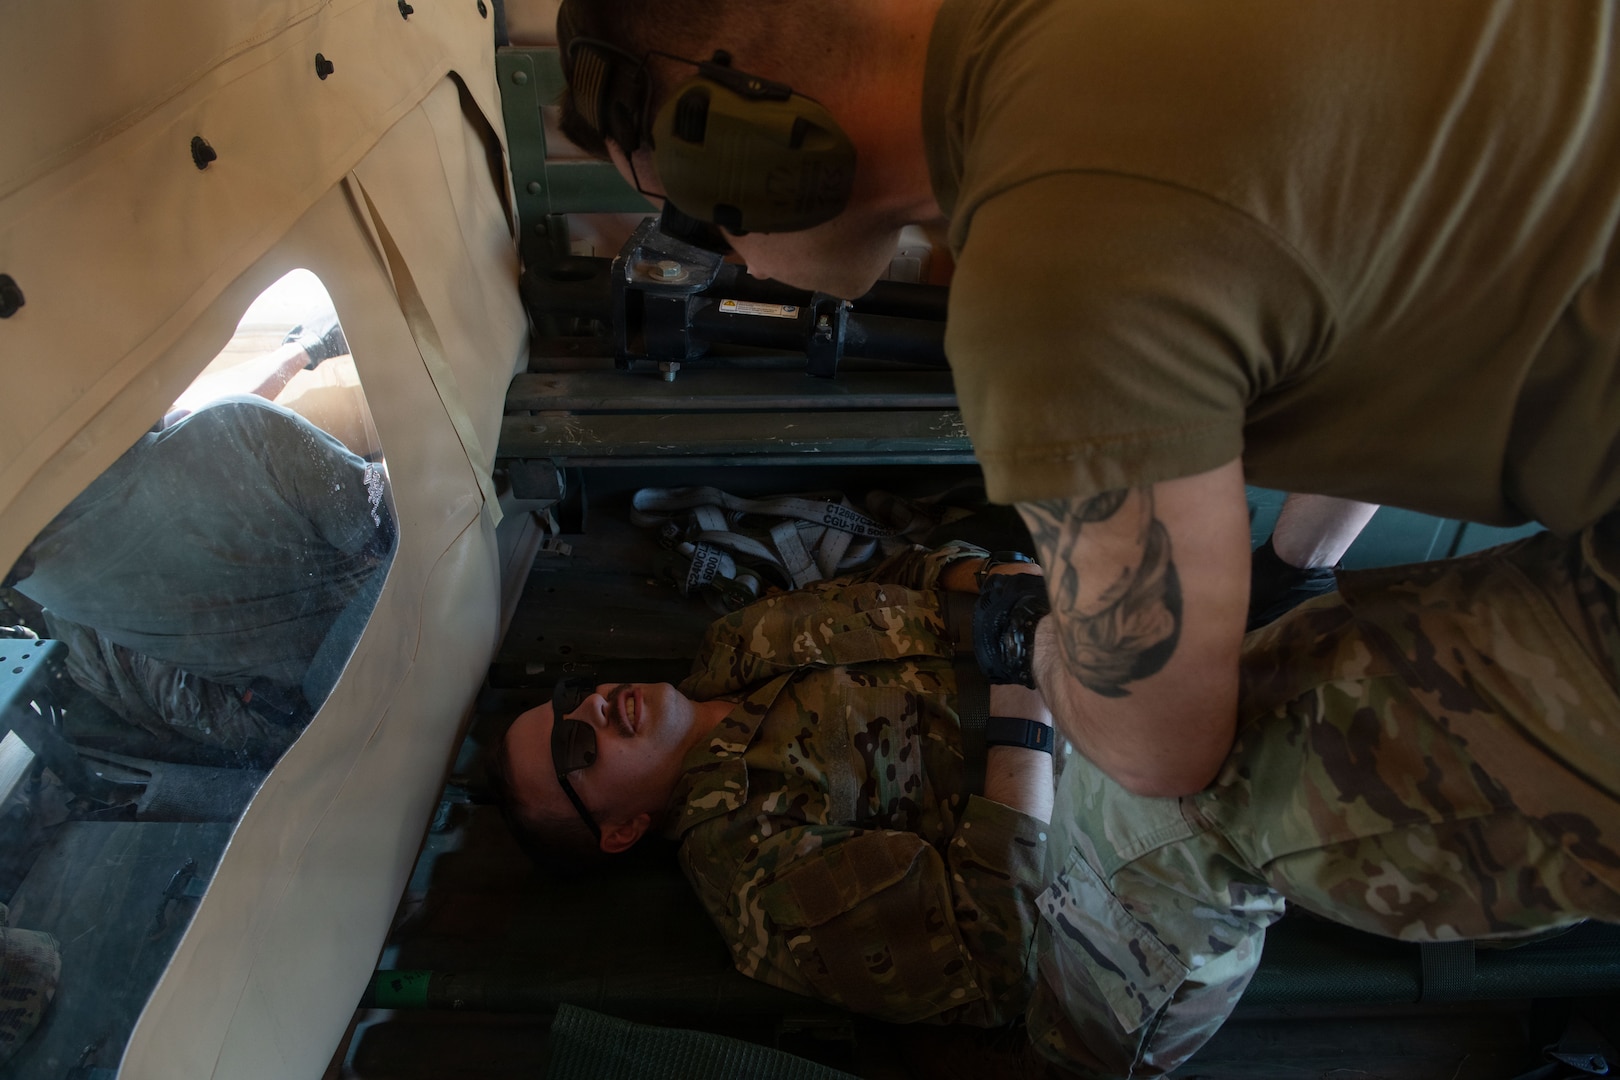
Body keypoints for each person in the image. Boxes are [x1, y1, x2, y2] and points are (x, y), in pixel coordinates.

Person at [494, 540, 1620, 1077]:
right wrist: (1030, 697)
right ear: (622, 830)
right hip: (1104, 937)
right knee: (1278, 729)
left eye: (566, 698)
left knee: (1211, 547)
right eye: (576, 748)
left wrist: (1006, 588)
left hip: (1082, 691)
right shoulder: (750, 874)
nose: (591, 704)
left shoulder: (744, 640)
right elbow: (996, 931)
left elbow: (907, 568)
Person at [3, 395, 393, 766]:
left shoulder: (22, 564)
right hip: (386, 663)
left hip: (268, 718)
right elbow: (390, 527)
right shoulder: (243, 428)